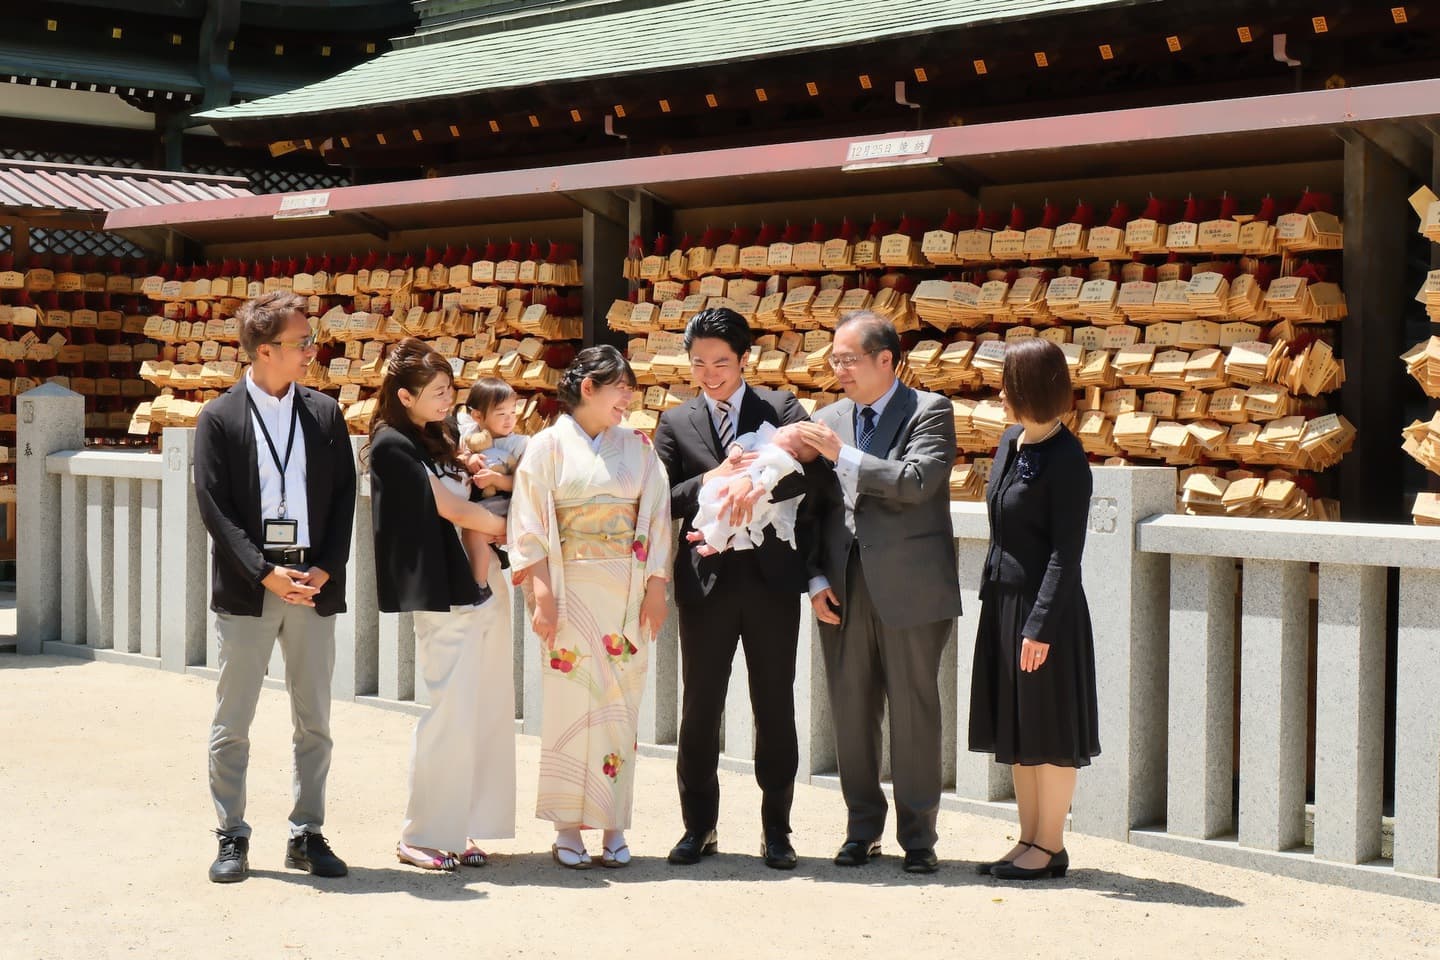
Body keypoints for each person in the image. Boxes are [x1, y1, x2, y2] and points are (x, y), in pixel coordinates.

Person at [192, 290, 355, 884]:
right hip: (250, 587)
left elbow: (344, 498)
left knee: (315, 722)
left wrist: (327, 567)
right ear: (265, 350)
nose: (311, 350)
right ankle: (231, 833)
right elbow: (214, 507)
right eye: (301, 342)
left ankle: (306, 833)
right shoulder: (219, 417)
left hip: (312, 584)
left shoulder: (325, 413)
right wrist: (264, 572)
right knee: (233, 721)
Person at [796, 310, 963, 875]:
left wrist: (840, 454)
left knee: (914, 712)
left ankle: (919, 838)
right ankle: (861, 829)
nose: (838, 369)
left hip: (911, 587)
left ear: (886, 359)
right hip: (842, 586)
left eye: (849, 359)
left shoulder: (929, 411)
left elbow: (916, 481)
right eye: (834, 360)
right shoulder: (827, 419)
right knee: (851, 710)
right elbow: (811, 512)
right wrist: (814, 578)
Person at [653, 306, 819, 871]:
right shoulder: (675, 422)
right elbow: (662, 498)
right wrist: (712, 479)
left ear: (745, 358)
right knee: (700, 706)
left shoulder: (781, 408)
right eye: (698, 363)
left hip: (772, 582)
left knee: (774, 704)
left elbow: (813, 475)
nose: (710, 374)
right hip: (706, 583)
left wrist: (759, 482)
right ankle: (698, 826)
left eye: (721, 362)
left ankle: (778, 831)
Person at [508, 345, 672, 869]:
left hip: (625, 594)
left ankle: (613, 825)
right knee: (569, 706)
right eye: (620, 388)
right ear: (588, 388)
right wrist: (542, 595)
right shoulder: (546, 446)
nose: (628, 399)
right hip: (569, 589)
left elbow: (657, 513)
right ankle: (566, 826)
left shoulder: (639, 447)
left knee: (619, 708)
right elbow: (529, 525)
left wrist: (656, 586)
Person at [366, 339, 516, 872]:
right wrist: (512, 526)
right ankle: (421, 833)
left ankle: (461, 826)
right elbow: (450, 507)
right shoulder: (391, 444)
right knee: (448, 711)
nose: (448, 399)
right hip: (442, 589)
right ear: (404, 396)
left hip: (482, 579)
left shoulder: (442, 434)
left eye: (449, 389)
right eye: (436, 392)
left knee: (483, 705)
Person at [969, 337, 1098, 882]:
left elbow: (1067, 554)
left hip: (1047, 614)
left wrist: (1040, 626)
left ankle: (1051, 845)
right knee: (1019, 731)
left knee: (1049, 732)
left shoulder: (1068, 460)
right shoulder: (1010, 441)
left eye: (1008, 386)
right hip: (1003, 601)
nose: (1000, 395)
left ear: (1032, 390)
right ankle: (1027, 838)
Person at [691, 421, 809, 555]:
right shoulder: (765, 439)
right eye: (784, 428)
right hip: (733, 479)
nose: (780, 429)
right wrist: (737, 447)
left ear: (792, 453)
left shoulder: (781, 459)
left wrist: (759, 488)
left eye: (784, 433)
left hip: (755, 495)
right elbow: (749, 437)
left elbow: (771, 476)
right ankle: (704, 529)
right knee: (712, 495)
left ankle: (716, 543)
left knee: (731, 516)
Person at [457, 378, 528, 590]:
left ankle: (479, 586)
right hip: (478, 499)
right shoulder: (469, 434)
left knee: (472, 531)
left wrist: (496, 479)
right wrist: (468, 459)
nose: (509, 419)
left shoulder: (519, 444)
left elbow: (522, 484)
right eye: (501, 413)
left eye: (513, 412)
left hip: (505, 502)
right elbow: (456, 456)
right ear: (478, 416)